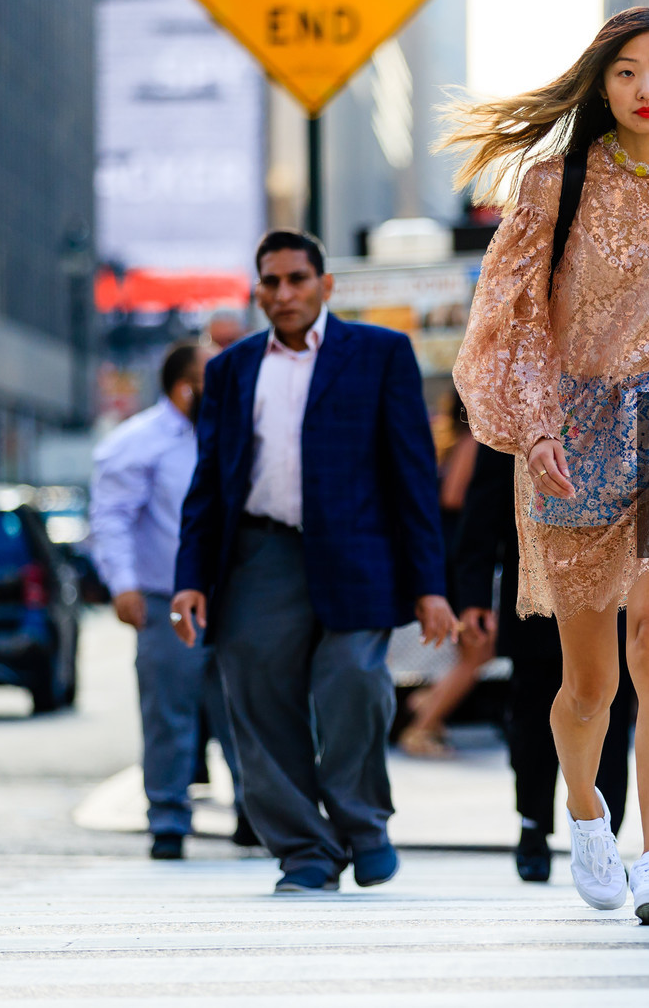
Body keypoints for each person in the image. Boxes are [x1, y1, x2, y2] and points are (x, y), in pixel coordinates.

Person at [445, 6, 649, 924]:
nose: (646, 89)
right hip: (571, 425)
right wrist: (534, 426)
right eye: (627, 73)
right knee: (589, 682)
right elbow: (509, 318)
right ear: (603, 84)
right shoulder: (555, 184)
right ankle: (585, 808)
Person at [171, 229, 458, 895]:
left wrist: (429, 586)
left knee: (353, 683)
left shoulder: (380, 354)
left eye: (297, 279)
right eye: (270, 282)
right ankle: (305, 850)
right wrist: (191, 578)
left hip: (359, 551)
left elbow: (412, 475)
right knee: (254, 692)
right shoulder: (231, 368)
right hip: (260, 553)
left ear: (325, 286)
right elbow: (209, 482)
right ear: (258, 290)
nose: (284, 293)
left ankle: (363, 824)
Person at [89, 341, 251, 860]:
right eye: (214, 378)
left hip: (233, 599)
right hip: (166, 599)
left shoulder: (232, 434)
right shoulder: (136, 443)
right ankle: (167, 819)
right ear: (187, 387)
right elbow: (110, 520)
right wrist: (124, 585)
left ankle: (256, 813)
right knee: (169, 714)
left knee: (247, 710)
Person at [453, 442, 635, 883]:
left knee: (610, 709)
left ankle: (603, 832)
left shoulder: (632, 385)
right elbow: (484, 500)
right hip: (536, 585)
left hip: (617, 583)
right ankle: (533, 825)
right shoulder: (527, 393)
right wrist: (473, 594)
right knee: (533, 713)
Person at [397, 390, 483, 758]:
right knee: (478, 650)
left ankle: (427, 708)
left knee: (472, 650)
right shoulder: (474, 442)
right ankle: (420, 725)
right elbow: (453, 496)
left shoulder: (455, 439)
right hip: (457, 556)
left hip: (452, 554)